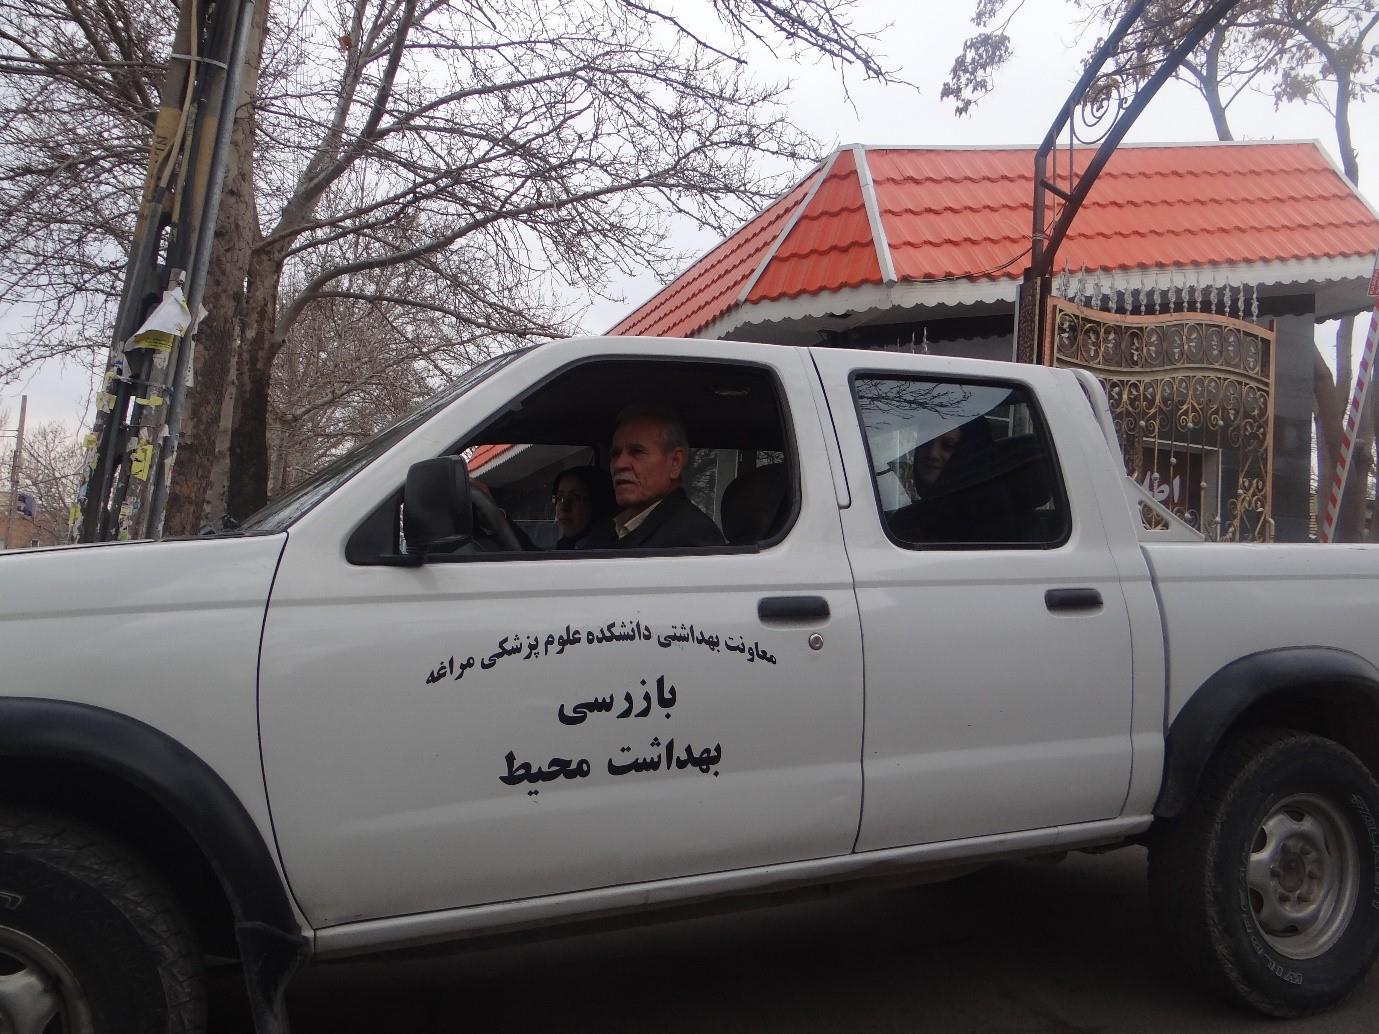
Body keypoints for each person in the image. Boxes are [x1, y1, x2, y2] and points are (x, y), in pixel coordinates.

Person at [584, 405, 725, 549]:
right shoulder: (606, 530)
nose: (619, 464)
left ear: (675, 462)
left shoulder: (693, 539)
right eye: (615, 454)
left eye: (637, 451)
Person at [551, 466, 615, 549]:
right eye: (560, 497)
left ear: (597, 504)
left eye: (575, 497)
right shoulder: (564, 546)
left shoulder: (606, 550)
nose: (564, 508)